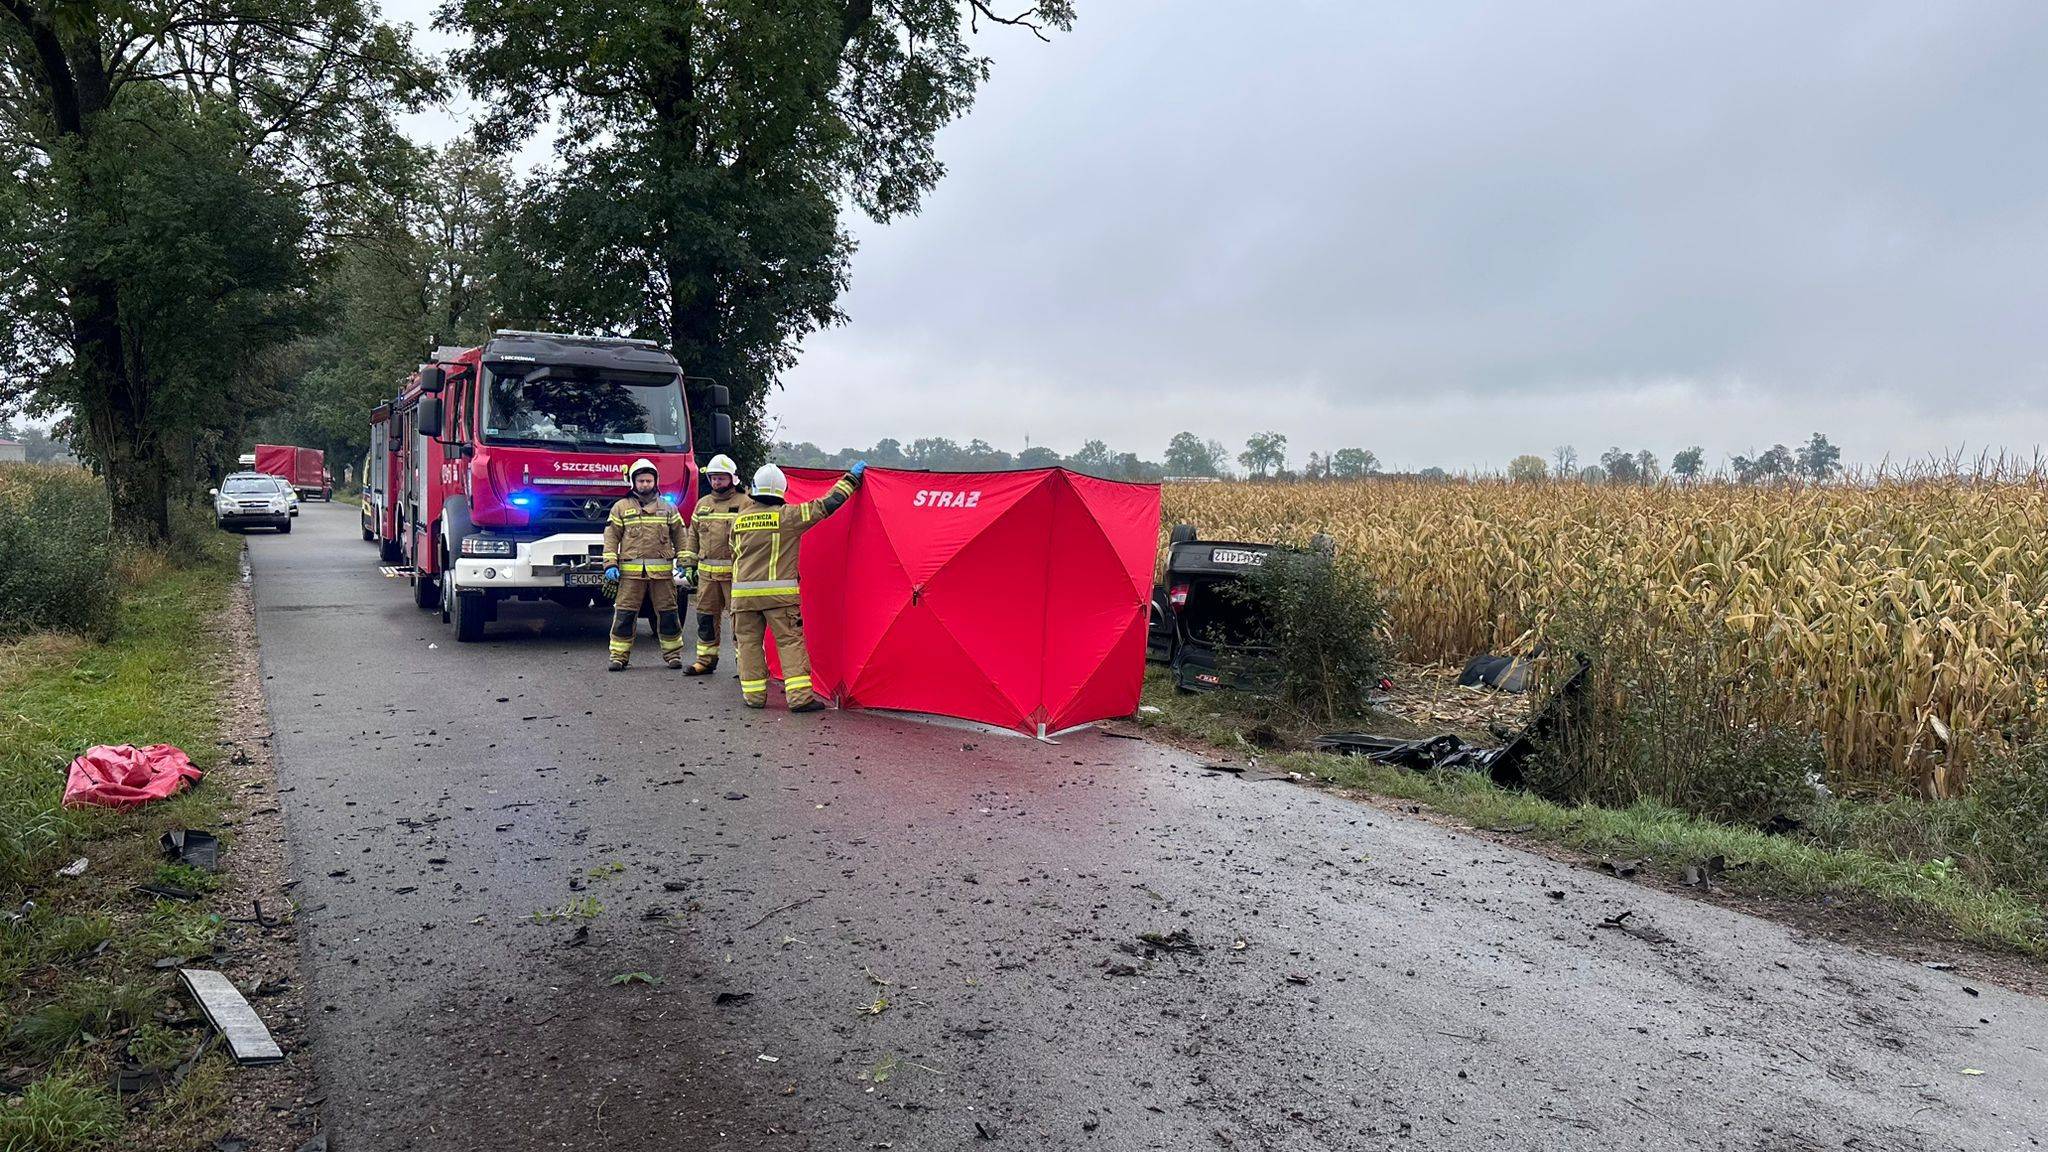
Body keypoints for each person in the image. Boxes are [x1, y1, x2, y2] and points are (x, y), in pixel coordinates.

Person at [729, 461, 864, 710]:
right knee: (789, 642)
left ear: (754, 489)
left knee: (748, 644)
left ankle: (754, 697)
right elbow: (826, 505)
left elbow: (734, 555)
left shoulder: (739, 520)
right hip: (779, 598)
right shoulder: (787, 516)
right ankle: (800, 699)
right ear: (782, 490)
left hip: (742, 597)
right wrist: (851, 480)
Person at [601, 458, 687, 671]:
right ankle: (619, 656)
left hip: (662, 575)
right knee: (625, 614)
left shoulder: (668, 507)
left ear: (655, 481)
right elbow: (611, 537)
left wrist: (685, 561)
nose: (645, 484)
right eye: (641, 481)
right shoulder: (621, 507)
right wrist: (610, 564)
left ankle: (673, 655)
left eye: (649, 480)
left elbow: (681, 536)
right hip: (631, 575)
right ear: (633, 482)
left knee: (668, 614)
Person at [677, 454, 745, 676]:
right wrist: (689, 563)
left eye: (721, 478)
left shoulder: (745, 503)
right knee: (705, 618)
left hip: (735, 576)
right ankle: (705, 661)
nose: (716, 482)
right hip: (707, 577)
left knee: (741, 622)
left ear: (732, 479)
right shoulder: (703, 504)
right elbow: (693, 536)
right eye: (714, 478)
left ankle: (745, 665)